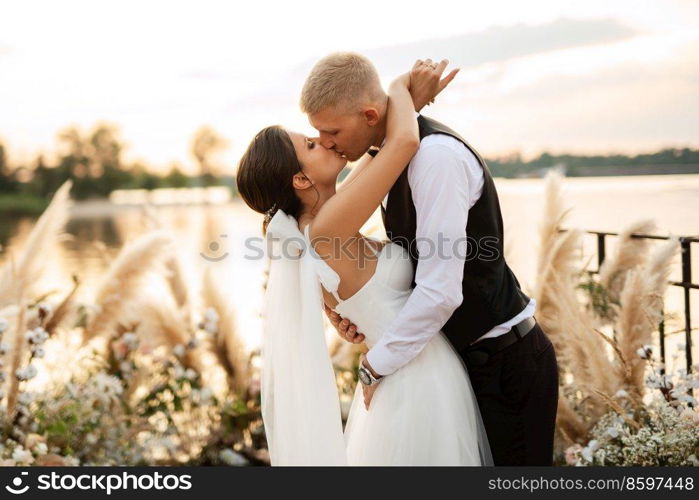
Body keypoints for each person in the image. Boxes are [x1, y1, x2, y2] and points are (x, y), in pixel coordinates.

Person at [302, 52, 559, 466]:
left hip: (503, 367)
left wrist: (374, 365)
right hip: (452, 368)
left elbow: (440, 291)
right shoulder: (389, 157)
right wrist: (354, 309)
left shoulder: (435, 159)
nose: (327, 141)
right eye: (317, 134)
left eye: (330, 130)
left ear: (369, 114)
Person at [236, 59, 492, 465]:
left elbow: (380, 151)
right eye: (312, 144)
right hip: (415, 377)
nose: (326, 141)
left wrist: (400, 106)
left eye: (324, 134)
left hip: (404, 372)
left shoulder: (314, 228)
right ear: (300, 180)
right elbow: (403, 143)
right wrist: (399, 88)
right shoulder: (325, 229)